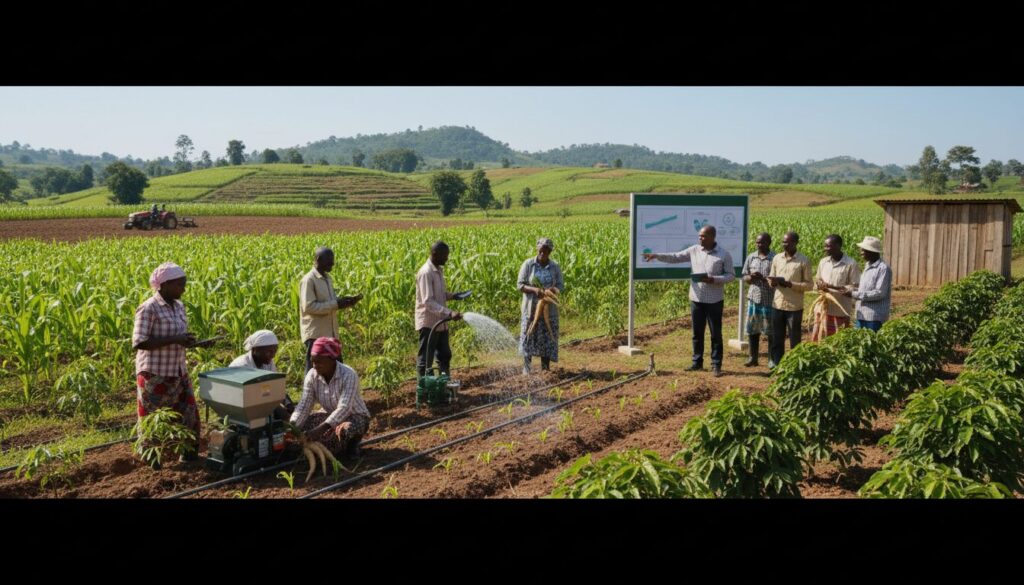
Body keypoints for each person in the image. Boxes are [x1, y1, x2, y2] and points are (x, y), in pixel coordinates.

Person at [131, 262, 214, 467]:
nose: (183, 289)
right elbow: (139, 342)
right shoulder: (149, 308)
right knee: (154, 419)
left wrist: (193, 343)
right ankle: (153, 460)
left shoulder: (179, 306)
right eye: (180, 284)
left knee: (189, 415)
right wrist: (176, 339)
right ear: (165, 285)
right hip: (155, 373)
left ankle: (189, 457)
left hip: (178, 370)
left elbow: (178, 337)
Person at [643, 225, 735, 377]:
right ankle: (697, 362)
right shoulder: (694, 250)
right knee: (697, 333)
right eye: (699, 236)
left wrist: (713, 279)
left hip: (714, 301)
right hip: (696, 299)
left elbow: (731, 275)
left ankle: (716, 365)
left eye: (703, 236)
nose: (700, 238)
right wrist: (656, 255)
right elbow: (675, 257)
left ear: (712, 237)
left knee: (715, 334)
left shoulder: (724, 254)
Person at [290, 337, 370, 459]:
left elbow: (344, 408)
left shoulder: (348, 374)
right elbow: (304, 405)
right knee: (304, 425)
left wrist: (319, 430)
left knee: (348, 429)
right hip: (329, 415)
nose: (315, 366)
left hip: (354, 416)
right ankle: (328, 447)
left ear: (332, 359)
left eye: (319, 362)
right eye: (313, 361)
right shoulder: (312, 376)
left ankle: (352, 447)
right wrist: (293, 426)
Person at [299, 246, 361, 372]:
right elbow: (309, 307)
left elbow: (330, 303)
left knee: (337, 370)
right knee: (314, 372)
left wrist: (345, 302)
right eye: (329, 261)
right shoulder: (308, 280)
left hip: (330, 334)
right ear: (318, 259)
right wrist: (336, 304)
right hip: (316, 335)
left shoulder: (328, 279)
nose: (332, 264)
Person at [415, 240, 463, 378]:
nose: (447, 258)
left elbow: (438, 295)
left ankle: (444, 386)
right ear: (435, 254)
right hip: (429, 323)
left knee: (445, 355)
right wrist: (449, 313)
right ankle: (423, 392)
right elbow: (428, 301)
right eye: (445, 255)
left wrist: (453, 296)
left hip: (441, 322)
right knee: (425, 360)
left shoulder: (438, 270)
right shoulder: (426, 272)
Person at [518, 237, 564, 374]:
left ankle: (545, 368)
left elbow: (560, 285)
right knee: (529, 334)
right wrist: (534, 290)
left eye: (546, 251)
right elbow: (520, 285)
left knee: (548, 336)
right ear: (537, 249)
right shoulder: (528, 264)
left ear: (550, 252)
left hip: (549, 309)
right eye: (541, 250)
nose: (543, 253)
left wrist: (551, 291)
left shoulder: (555, 267)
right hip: (531, 309)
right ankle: (527, 368)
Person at [767, 231, 812, 369]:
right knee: (777, 338)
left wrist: (790, 284)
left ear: (795, 243)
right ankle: (776, 365)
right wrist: (773, 282)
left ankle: (794, 366)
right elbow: (771, 277)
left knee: (794, 338)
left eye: (787, 242)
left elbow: (809, 285)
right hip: (778, 304)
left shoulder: (803, 260)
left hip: (794, 307)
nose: (784, 244)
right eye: (783, 242)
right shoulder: (777, 258)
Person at [229, 329, 294, 418]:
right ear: (255, 350)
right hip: (239, 403)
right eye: (270, 352)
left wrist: (288, 404)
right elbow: (253, 395)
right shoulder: (243, 366)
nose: (273, 355)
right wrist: (277, 408)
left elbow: (275, 385)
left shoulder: (268, 362)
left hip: (257, 399)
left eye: (275, 351)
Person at [811, 234, 860, 340]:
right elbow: (817, 279)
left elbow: (854, 287)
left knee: (837, 341)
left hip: (840, 311)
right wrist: (819, 284)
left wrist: (832, 287)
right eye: (825, 246)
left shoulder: (851, 264)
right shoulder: (823, 262)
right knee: (818, 339)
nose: (825, 249)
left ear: (838, 246)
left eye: (828, 246)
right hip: (822, 309)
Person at [842, 236, 892, 332]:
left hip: (874, 317)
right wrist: (851, 290)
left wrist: (853, 294)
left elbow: (879, 293)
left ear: (872, 251)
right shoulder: (867, 266)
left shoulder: (883, 268)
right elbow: (865, 289)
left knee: (871, 344)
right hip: (861, 314)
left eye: (863, 250)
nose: (861, 253)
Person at [741, 232, 775, 367]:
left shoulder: (774, 258)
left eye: (762, 242)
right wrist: (751, 277)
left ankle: (771, 359)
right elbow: (744, 276)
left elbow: (777, 278)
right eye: (757, 242)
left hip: (769, 298)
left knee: (770, 331)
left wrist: (763, 278)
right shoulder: (751, 257)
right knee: (752, 329)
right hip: (754, 298)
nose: (759, 245)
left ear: (769, 243)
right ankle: (752, 357)